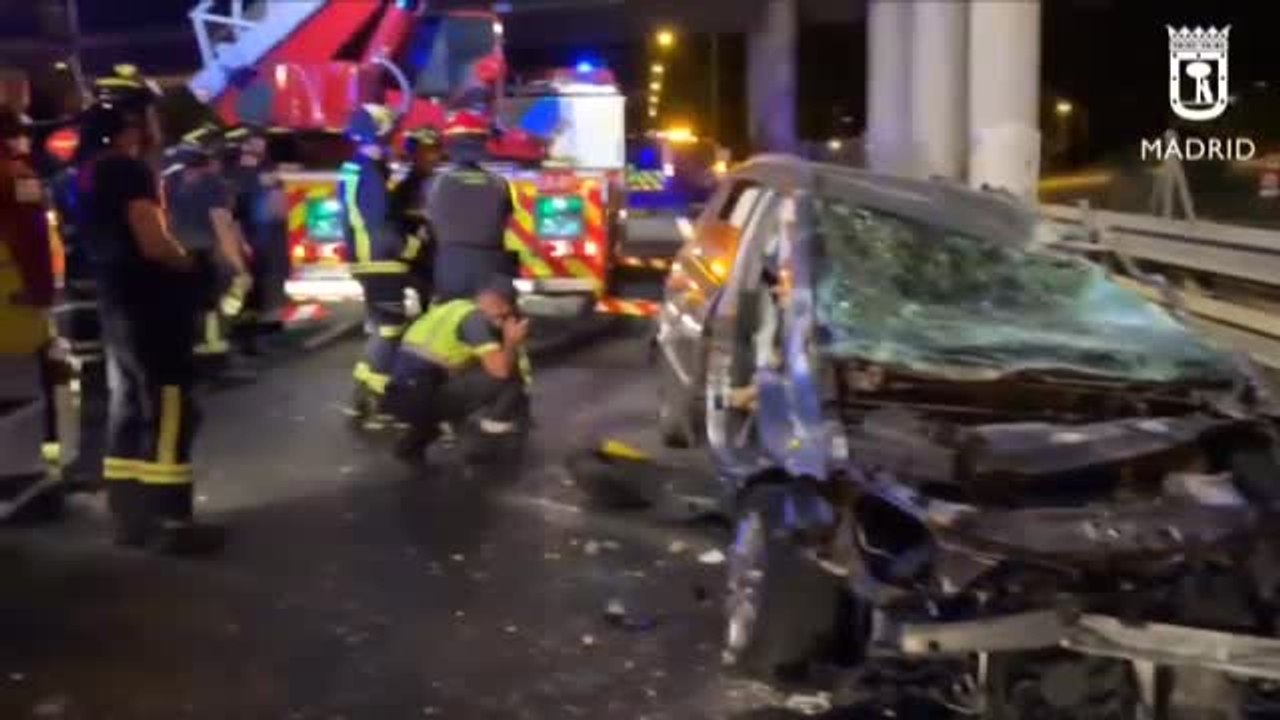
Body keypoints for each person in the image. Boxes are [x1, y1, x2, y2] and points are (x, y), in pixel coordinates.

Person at [81, 89, 225, 554]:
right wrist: (192, 263)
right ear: (133, 125)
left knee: (127, 404)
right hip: (151, 303)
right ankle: (171, 520)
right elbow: (152, 240)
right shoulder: (127, 170)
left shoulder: (89, 170)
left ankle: (129, 517)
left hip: (116, 300)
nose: (157, 124)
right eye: (150, 116)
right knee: (170, 404)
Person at [386, 274, 531, 464]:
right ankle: (484, 444)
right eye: (505, 312)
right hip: (421, 396)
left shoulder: (452, 309)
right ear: (499, 302)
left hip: (399, 396)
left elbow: (449, 362)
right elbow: (500, 371)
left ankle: (412, 444)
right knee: (509, 378)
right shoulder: (475, 320)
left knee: (465, 379)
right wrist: (511, 341)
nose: (504, 318)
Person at [0, 104, 60, 521]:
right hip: (11, 301)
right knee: (21, 395)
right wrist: (40, 290)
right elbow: (32, 234)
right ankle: (21, 487)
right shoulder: (17, 174)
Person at [162, 126, 254, 380]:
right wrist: (239, 267)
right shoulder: (212, 183)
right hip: (205, 255)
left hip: (174, 255)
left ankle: (188, 365)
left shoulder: (169, 180)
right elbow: (221, 225)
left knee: (187, 311)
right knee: (215, 308)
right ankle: (216, 365)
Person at [341, 104, 414, 422]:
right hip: (380, 259)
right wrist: (410, 246)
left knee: (380, 326)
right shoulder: (370, 173)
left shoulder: (356, 167)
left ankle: (366, 391)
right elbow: (380, 221)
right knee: (390, 328)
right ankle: (372, 396)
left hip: (365, 258)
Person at [428, 111, 518, 302]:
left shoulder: (438, 183)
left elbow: (430, 218)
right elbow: (506, 217)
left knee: (453, 316)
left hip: (451, 265)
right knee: (490, 317)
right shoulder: (499, 183)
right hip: (490, 264)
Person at [223, 124, 288, 355]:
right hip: (251, 237)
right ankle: (244, 335)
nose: (262, 144)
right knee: (250, 289)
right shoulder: (238, 172)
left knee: (261, 286)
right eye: (257, 140)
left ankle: (255, 331)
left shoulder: (262, 167)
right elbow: (235, 211)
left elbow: (277, 205)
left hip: (264, 237)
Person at [389, 127, 441, 302]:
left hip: (440, 260)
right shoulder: (403, 190)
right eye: (425, 151)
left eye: (434, 151)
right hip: (417, 261)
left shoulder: (445, 185)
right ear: (414, 155)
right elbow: (396, 224)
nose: (431, 157)